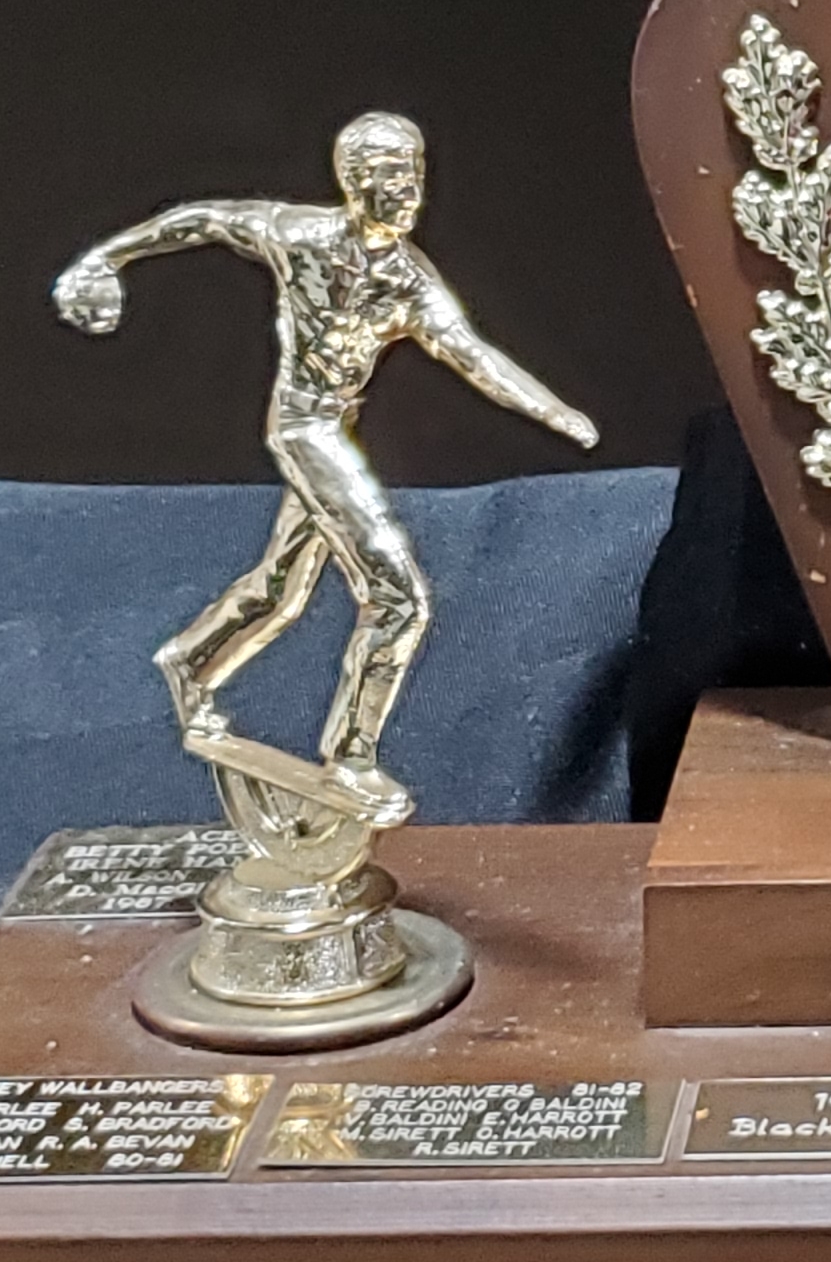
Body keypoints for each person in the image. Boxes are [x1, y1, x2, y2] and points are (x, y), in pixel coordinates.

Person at [53, 110, 596, 809]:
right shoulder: (298, 236)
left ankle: (187, 662)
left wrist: (554, 412)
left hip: (336, 428)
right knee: (398, 597)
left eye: (415, 174)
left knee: (278, 591)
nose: (409, 191)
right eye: (391, 176)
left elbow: (473, 355)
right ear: (354, 181)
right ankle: (352, 755)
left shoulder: (410, 281)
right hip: (303, 428)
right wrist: (107, 258)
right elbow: (203, 219)